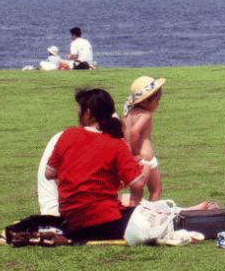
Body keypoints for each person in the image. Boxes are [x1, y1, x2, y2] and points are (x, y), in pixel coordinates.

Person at [45, 88, 150, 242]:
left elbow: (49, 173)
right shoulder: (116, 144)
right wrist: (145, 170)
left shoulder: (68, 135)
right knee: (151, 214)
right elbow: (137, 184)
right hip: (105, 220)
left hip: (72, 219)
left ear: (87, 113)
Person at [122, 76, 165, 201]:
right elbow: (134, 132)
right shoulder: (146, 115)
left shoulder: (128, 114)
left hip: (130, 157)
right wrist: (136, 154)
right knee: (156, 190)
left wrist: (132, 155)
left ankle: (133, 211)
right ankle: (152, 211)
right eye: (156, 101)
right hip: (145, 158)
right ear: (144, 102)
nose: (158, 104)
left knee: (135, 194)